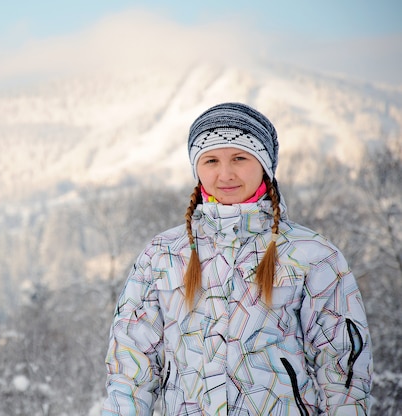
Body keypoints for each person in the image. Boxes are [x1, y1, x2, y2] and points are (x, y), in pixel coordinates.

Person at [101, 103, 372, 415]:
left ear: (265, 164)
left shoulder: (312, 255)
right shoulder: (162, 254)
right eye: (211, 160)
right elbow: (130, 366)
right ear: (196, 168)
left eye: (240, 158)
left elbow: (343, 368)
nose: (225, 174)